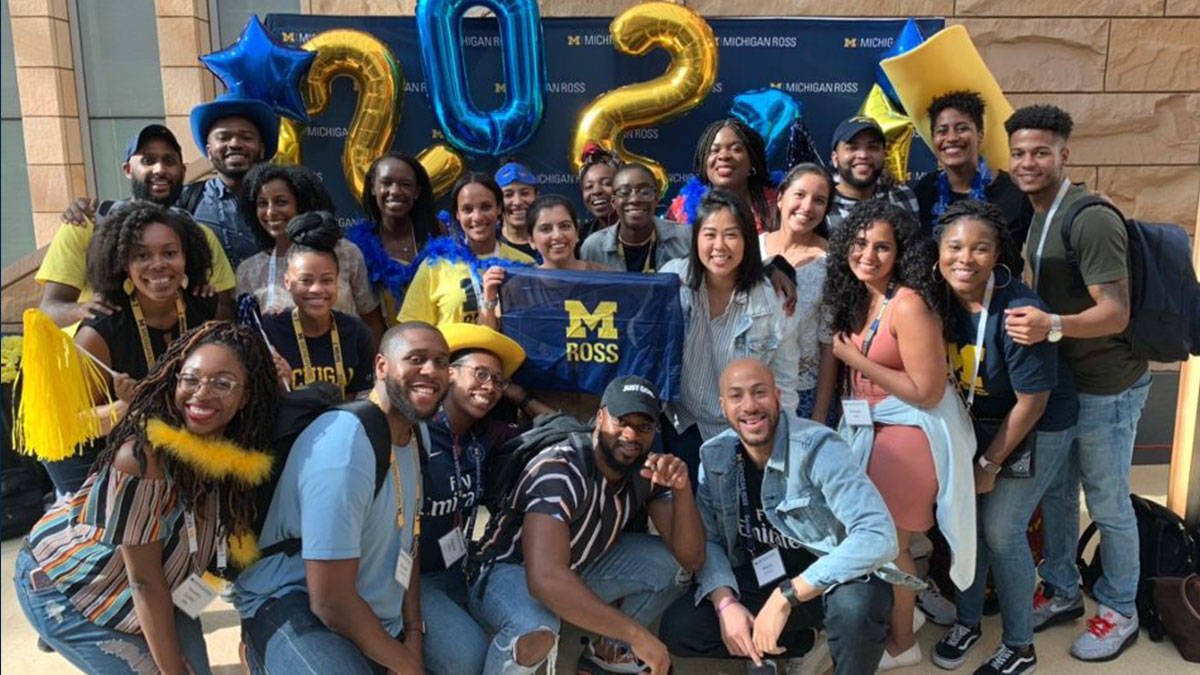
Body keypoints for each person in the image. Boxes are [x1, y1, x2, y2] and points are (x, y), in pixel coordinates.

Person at [14, 321, 281, 674]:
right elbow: (143, 581)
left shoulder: (242, 447)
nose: (202, 393)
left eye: (223, 383)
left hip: (165, 585)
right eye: (190, 379)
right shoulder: (142, 458)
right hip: (71, 587)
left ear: (247, 396)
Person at [1004, 104, 1150, 662]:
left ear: (1065, 154)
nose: (1028, 162)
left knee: (1107, 501)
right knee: (1059, 494)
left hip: (1106, 386)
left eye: (1041, 152)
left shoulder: (1089, 218)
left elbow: (1115, 311)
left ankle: (1120, 609)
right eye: (1019, 153)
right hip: (1064, 385)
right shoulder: (1040, 211)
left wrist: (1052, 326)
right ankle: (1063, 589)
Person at [234, 321, 450, 675]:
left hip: (368, 609)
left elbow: (407, 542)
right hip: (294, 601)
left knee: (464, 657)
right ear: (381, 366)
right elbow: (330, 601)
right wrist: (407, 666)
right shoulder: (346, 444)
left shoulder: (416, 436)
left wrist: (413, 632)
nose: (430, 370)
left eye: (441, 362)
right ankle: (263, 651)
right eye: (416, 358)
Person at [659, 359, 898, 674]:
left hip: (823, 581)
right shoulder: (715, 456)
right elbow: (711, 540)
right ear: (723, 407)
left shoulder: (818, 447)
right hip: (762, 575)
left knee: (857, 606)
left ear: (777, 397)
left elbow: (878, 535)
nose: (749, 406)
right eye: (736, 396)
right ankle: (799, 643)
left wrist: (786, 596)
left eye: (759, 393)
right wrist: (724, 601)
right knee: (680, 628)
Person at [468, 375, 706, 675]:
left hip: (575, 567)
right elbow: (545, 578)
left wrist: (682, 489)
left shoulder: (644, 471)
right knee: (534, 629)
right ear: (600, 417)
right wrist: (636, 633)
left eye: (643, 427)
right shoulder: (561, 469)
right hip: (505, 573)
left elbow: (691, 559)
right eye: (621, 421)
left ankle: (608, 654)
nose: (631, 435)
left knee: (673, 568)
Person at [929, 200, 1079, 675]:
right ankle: (968, 621)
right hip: (978, 421)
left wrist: (989, 465)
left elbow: (1032, 403)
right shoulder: (936, 296)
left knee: (1001, 529)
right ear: (938, 250)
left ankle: (1020, 647)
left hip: (1036, 423)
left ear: (997, 255)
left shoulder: (1018, 312)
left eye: (980, 248)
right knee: (966, 523)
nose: (965, 258)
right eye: (955, 247)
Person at [823, 200, 954, 671]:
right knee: (876, 541)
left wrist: (856, 360)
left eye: (883, 247)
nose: (869, 255)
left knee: (891, 547)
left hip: (905, 436)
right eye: (860, 243)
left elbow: (927, 390)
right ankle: (903, 616)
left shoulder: (909, 304)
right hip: (868, 430)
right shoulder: (862, 295)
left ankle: (902, 644)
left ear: (901, 254)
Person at [43, 202, 219, 496]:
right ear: (124, 263)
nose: (158, 264)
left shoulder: (203, 307)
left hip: (167, 447)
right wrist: (125, 407)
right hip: (90, 456)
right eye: (142, 256)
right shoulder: (101, 332)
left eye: (170, 253)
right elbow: (69, 424)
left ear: (186, 257)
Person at [660, 190, 800, 487]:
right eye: (710, 234)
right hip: (683, 424)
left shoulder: (772, 298)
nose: (719, 246)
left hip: (744, 430)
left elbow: (785, 381)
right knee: (688, 510)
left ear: (748, 239)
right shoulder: (672, 281)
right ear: (696, 238)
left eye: (731, 235)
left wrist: (778, 443)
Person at [38, 124, 236, 328]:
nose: (160, 169)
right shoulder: (86, 224)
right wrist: (84, 311)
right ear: (128, 170)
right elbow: (49, 309)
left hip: (174, 345)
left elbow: (224, 311)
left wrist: (204, 302)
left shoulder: (200, 236)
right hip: (94, 346)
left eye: (169, 161)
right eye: (148, 161)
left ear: (183, 171)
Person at [419, 323, 528, 675]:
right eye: (480, 374)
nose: (490, 387)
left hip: (456, 568)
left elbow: (555, 429)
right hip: (407, 580)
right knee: (468, 659)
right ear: (449, 374)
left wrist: (521, 398)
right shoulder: (414, 430)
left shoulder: (486, 435)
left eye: (498, 381)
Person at [235, 163, 385, 344]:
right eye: (262, 203)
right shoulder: (249, 271)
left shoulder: (345, 253)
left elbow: (372, 322)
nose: (271, 212)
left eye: (281, 202)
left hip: (348, 360)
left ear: (303, 204)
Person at [259, 212, 377, 399]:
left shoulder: (357, 334)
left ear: (337, 280)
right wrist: (280, 386)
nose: (316, 289)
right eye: (305, 280)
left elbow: (361, 399)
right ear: (287, 282)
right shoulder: (269, 332)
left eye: (326, 280)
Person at [911, 91, 1032, 267]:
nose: (951, 138)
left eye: (962, 129)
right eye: (942, 131)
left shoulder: (1014, 191)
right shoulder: (924, 191)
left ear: (980, 135)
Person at [398, 173, 535, 328]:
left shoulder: (525, 264)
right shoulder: (434, 265)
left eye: (486, 207)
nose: (477, 217)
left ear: (499, 208)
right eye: (467, 210)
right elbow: (412, 330)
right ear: (457, 214)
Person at [758, 163, 837, 424]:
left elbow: (829, 347)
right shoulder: (752, 247)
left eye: (819, 200)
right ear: (781, 197)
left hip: (803, 392)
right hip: (751, 388)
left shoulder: (831, 263)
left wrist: (819, 416)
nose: (807, 206)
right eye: (800, 195)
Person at [346, 152, 444, 324]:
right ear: (373, 188)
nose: (395, 191)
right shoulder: (357, 248)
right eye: (386, 183)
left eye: (405, 184)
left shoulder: (439, 235)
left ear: (417, 192)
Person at [667, 118, 777, 233]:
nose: (723, 156)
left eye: (736, 149)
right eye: (714, 150)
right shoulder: (680, 211)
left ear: (752, 160)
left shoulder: (778, 206)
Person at [580, 163, 690, 273]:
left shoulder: (685, 238)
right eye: (624, 193)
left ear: (656, 197)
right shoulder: (593, 247)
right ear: (613, 201)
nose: (634, 200)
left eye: (644, 192)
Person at [824, 117, 919, 232]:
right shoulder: (822, 207)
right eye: (852, 148)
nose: (863, 155)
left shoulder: (902, 196)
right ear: (835, 159)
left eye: (872, 147)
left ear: (884, 155)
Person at [576, 143, 621, 246]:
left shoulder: (642, 232)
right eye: (589, 186)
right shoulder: (581, 237)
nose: (596, 191)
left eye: (606, 183)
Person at [496, 161, 540, 259]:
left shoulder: (551, 242)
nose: (517, 202)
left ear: (537, 197)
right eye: (508, 195)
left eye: (524, 193)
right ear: (497, 202)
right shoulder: (488, 243)